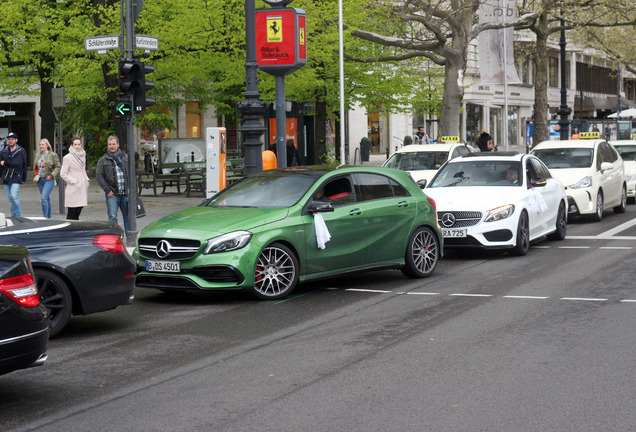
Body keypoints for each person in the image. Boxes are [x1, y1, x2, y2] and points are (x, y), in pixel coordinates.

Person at [96, 135, 129, 235]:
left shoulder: (125, 158)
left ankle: (130, 238)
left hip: (125, 193)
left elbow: (131, 174)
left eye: (113, 144)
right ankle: (115, 239)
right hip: (112, 194)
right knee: (112, 217)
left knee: (128, 217)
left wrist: (132, 190)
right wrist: (107, 190)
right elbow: (99, 176)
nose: (111, 146)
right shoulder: (103, 160)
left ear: (118, 145)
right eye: (110, 144)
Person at [60, 137, 90, 220]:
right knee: (72, 213)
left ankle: (76, 230)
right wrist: (73, 181)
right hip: (73, 188)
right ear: (71, 145)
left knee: (79, 210)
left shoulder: (83, 155)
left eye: (79, 144)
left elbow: (83, 170)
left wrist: (86, 180)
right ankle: (69, 230)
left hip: (82, 187)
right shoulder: (68, 158)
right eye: (75, 144)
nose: (77, 146)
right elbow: (63, 173)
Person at [0, 132, 28, 217]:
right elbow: (0, 164)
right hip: (6, 177)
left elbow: (19, 163)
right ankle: (13, 217)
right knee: (10, 199)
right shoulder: (4, 150)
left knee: (13, 195)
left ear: (16, 140)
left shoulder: (21, 150)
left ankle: (19, 216)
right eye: (9, 139)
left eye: (12, 139)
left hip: (16, 176)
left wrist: (5, 163)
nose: (10, 141)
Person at [32, 138, 61, 219]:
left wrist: (52, 175)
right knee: (46, 199)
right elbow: (35, 166)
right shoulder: (38, 154)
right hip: (39, 179)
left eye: (42, 145)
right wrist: (35, 174)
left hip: (48, 179)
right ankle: (49, 218)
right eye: (40, 145)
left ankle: (44, 217)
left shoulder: (52, 155)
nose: (41, 146)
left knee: (44, 198)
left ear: (47, 145)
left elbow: (58, 166)